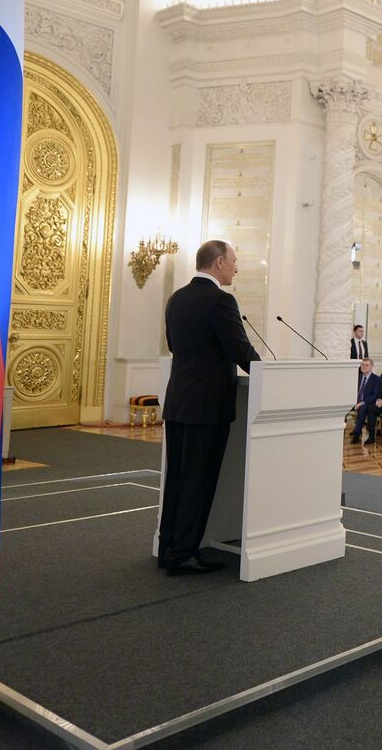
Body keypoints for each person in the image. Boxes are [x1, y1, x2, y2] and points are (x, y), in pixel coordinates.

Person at [159, 240, 260, 576]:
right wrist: (267, 372)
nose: (236, 267)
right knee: (198, 482)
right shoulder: (221, 300)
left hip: (179, 402)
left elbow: (174, 345)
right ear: (219, 262)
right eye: (234, 261)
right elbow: (239, 350)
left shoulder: (177, 298)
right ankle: (184, 553)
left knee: (177, 478)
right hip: (207, 407)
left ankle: (169, 547)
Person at [351, 357, 380, 444]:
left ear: (371, 367)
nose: (364, 367)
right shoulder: (358, 377)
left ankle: (357, 433)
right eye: (362, 365)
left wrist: (361, 403)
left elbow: (374, 396)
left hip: (368, 404)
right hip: (355, 403)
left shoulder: (376, 379)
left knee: (363, 407)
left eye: (366, 365)